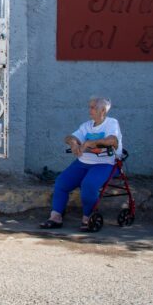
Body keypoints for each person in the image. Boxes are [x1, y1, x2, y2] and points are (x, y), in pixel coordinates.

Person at [39, 96, 122, 231]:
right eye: (90, 107)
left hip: (105, 163)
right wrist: (73, 143)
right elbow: (70, 137)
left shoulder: (111, 123)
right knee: (61, 182)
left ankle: (88, 217)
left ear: (103, 111)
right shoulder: (86, 126)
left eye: (93, 107)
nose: (90, 110)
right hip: (83, 162)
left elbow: (112, 140)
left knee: (88, 185)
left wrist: (90, 143)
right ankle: (56, 216)